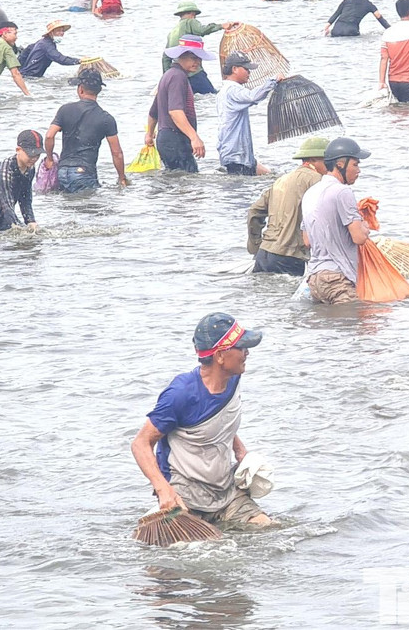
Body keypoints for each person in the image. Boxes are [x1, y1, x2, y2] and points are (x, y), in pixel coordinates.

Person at [130, 313, 275, 530]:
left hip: (225, 490)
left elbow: (219, 420)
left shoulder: (233, 379)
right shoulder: (180, 394)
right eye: (241, 347)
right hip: (184, 496)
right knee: (171, 557)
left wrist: (240, 450)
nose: (247, 353)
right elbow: (140, 444)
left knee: (268, 529)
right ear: (220, 356)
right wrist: (163, 490)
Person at [302, 137, 372, 305]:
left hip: (315, 280)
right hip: (338, 279)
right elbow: (359, 238)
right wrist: (365, 225)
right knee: (351, 326)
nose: (359, 170)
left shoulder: (310, 193)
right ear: (340, 164)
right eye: (355, 164)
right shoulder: (342, 192)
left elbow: (307, 241)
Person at [248, 137, 328, 276]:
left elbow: (254, 212)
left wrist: (255, 245)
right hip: (290, 257)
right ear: (315, 159)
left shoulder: (281, 180)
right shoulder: (317, 180)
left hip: (264, 254)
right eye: (329, 161)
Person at [43, 68, 126, 192]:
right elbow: (117, 153)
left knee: (68, 208)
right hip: (84, 172)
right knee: (87, 208)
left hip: (62, 171)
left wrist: (49, 159)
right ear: (100, 90)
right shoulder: (106, 119)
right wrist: (121, 177)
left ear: (80, 89)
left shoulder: (64, 110)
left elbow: (49, 136)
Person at [148, 38, 214, 173]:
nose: (197, 62)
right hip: (175, 140)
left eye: (199, 59)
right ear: (180, 57)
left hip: (166, 139)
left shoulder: (168, 75)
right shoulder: (178, 77)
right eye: (193, 58)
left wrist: (149, 134)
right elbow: (175, 111)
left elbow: (154, 112)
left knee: (176, 184)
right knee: (188, 184)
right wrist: (194, 138)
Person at [217, 51, 280, 176]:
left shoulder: (224, 90)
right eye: (246, 69)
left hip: (235, 153)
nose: (249, 73)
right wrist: (273, 81)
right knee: (241, 193)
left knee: (268, 175)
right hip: (236, 155)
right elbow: (252, 97)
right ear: (234, 69)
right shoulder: (232, 90)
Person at [164, 1, 224, 94]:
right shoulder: (190, 22)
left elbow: (166, 57)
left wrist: (167, 75)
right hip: (195, 73)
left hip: (181, 74)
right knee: (212, 94)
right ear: (192, 13)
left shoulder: (172, 32)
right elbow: (201, 30)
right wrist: (221, 26)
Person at [324, 0, 388, 37]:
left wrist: (327, 27)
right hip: (351, 31)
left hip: (336, 30)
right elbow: (380, 18)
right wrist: (391, 30)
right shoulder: (369, 5)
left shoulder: (346, 1)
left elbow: (336, 14)